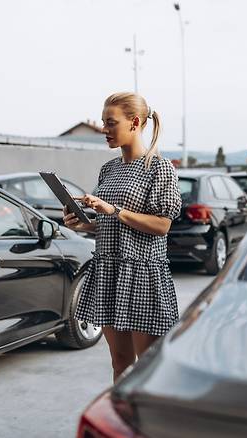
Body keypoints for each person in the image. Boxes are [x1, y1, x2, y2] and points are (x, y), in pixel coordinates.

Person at [63, 92, 182, 382]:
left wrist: (114, 210)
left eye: (110, 123)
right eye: (104, 122)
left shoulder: (159, 168)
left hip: (142, 273)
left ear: (135, 122)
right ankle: (124, 424)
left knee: (149, 370)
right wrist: (86, 225)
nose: (104, 129)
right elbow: (109, 221)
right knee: (120, 363)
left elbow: (163, 225)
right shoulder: (109, 169)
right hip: (109, 272)